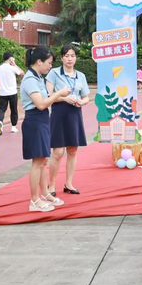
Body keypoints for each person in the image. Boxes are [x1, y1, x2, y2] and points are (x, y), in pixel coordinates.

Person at [21, 47, 71, 212]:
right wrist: (60, 94)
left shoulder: (38, 77)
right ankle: (34, 200)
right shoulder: (30, 79)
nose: (50, 66)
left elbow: (45, 100)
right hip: (35, 121)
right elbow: (41, 104)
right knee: (37, 162)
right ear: (39, 61)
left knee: (43, 160)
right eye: (49, 63)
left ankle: (45, 194)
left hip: (42, 120)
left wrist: (62, 97)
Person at [46, 46, 91, 196]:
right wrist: (64, 98)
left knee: (73, 150)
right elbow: (48, 97)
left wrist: (82, 102)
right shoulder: (53, 73)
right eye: (67, 56)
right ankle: (51, 185)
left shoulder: (81, 76)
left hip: (75, 114)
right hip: (59, 113)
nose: (70, 58)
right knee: (58, 152)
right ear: (61, 58)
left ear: (76, 58)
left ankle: (69, 183)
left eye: (72, 55)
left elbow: (86, 96)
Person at [0, 51, 24, 134]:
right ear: (11, 58)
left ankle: (0, 122)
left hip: (3, 93)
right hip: (12, 92)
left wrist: (0, 88)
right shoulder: (12, 68)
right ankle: (13, 127)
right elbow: (22, 73)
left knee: (1, 109)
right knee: (13, 110)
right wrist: (15, 64)